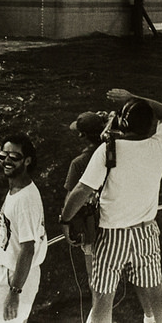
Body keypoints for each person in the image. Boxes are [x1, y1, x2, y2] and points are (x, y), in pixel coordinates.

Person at [61, 88, 162, 323]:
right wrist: (135, 96)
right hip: (146, 232)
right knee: (157, 292)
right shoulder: (161, 145)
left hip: (112, 235)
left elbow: (82, 190)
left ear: (123, 123)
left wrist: (65, 220)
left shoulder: (109, 150)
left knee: (103, 299)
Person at [0, 132, 47, 323]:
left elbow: (28, 249)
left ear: (27, 161)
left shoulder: (25, 200)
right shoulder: (16, 188)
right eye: (3, 156)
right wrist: (1, 262)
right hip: (9, 272)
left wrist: (14, 293)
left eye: (14, 157)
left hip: (17, 279)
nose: (7, 161)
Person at [64, 111, 107, 276]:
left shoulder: (78, 163)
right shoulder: (116, 154)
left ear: (82, 135)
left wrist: (67, 225)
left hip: (93, 227)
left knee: (95, 277)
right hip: (116, 222)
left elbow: (71, 199)